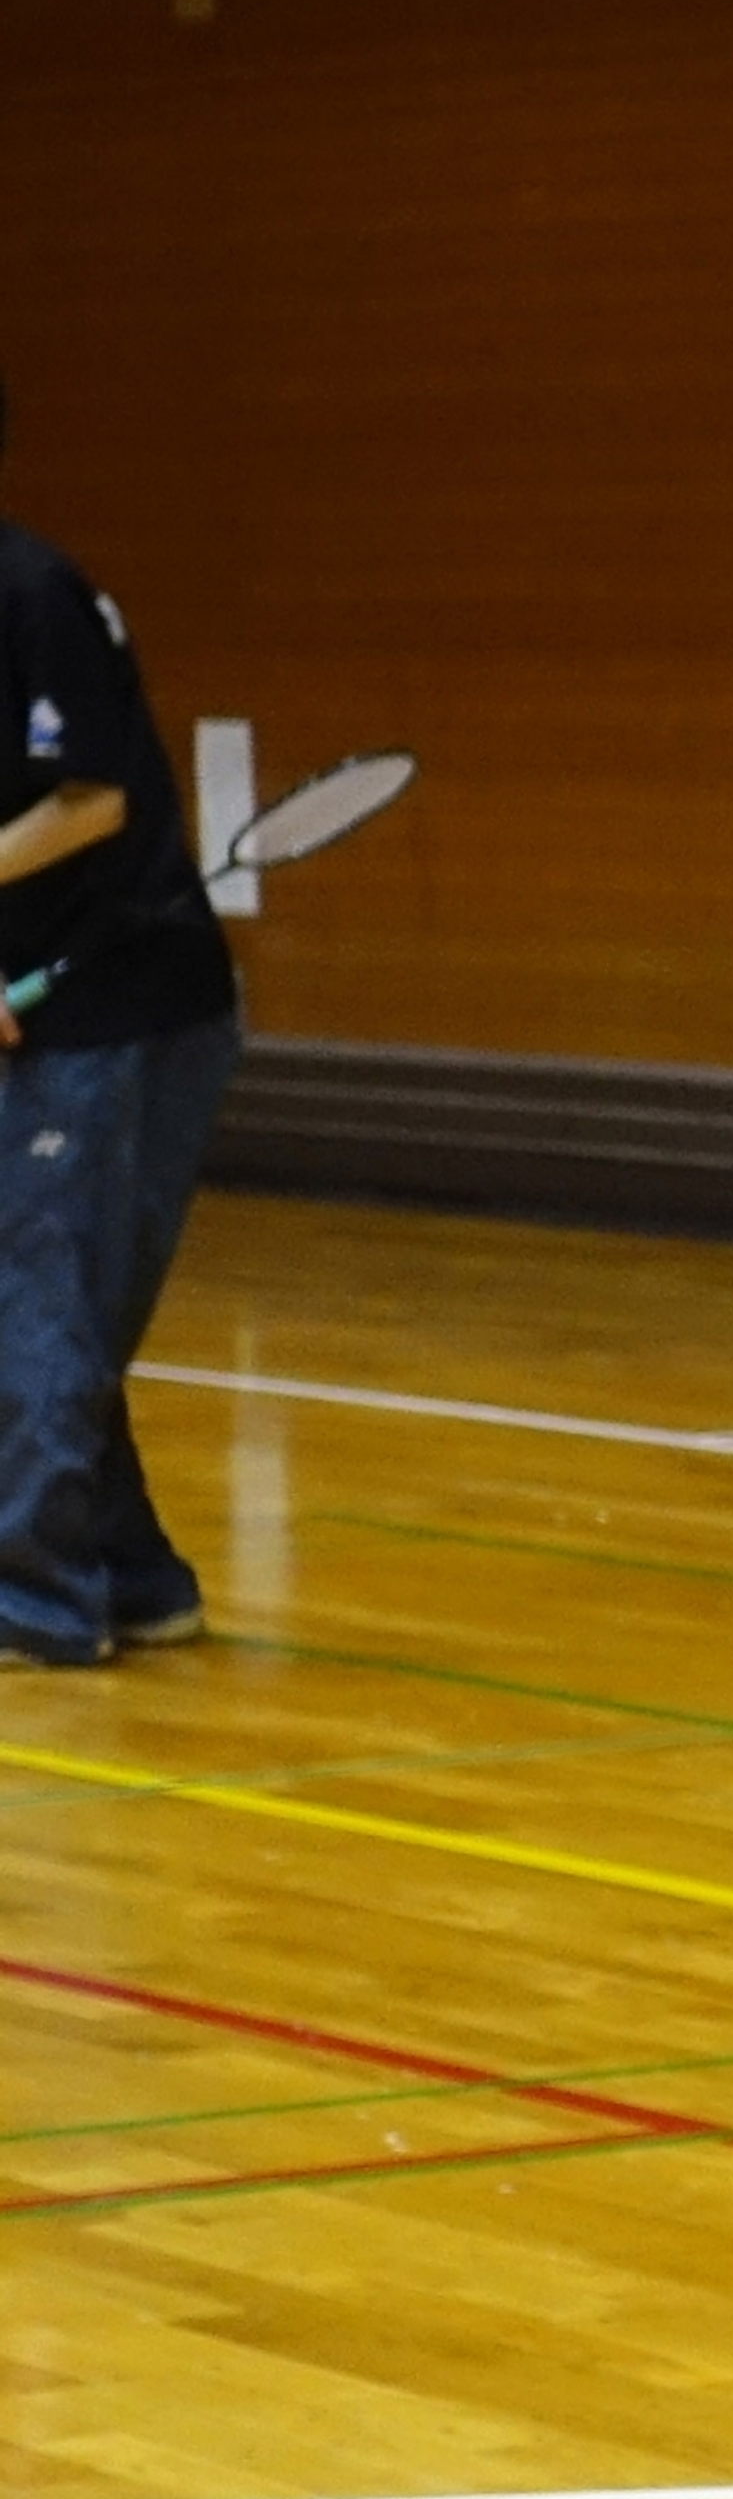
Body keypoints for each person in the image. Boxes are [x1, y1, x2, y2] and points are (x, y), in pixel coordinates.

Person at [0, 377, 243, 1669]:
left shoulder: (33, 592)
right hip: (36, 1008)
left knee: (39, 1310)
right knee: (48, 1301)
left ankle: (33, 1606)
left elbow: (88, 805)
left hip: (125, 1006)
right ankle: (137, 1578)